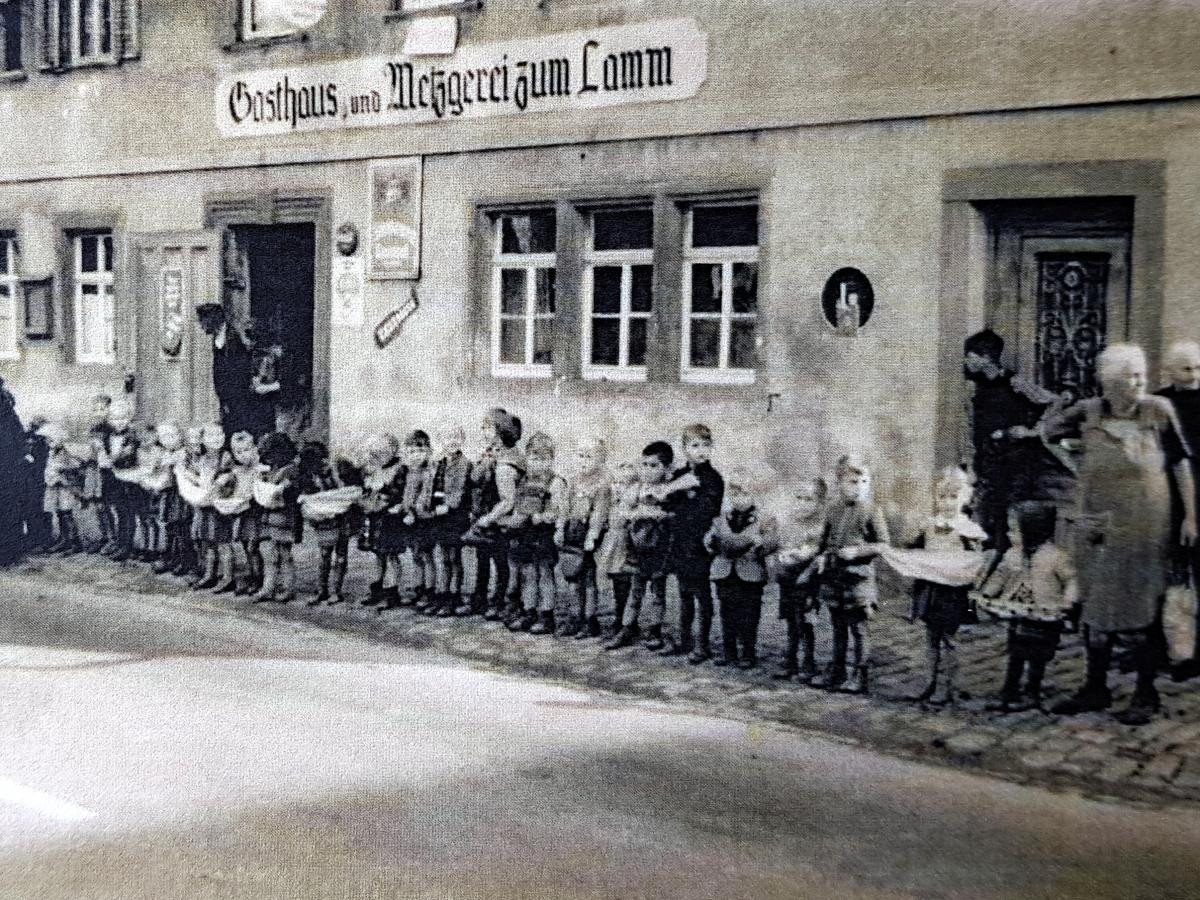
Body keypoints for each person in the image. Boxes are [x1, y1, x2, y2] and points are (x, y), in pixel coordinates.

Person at [1044, 344, 1197, 725]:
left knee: (1144, 606)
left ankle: (1146, 692)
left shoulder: (1157, 411)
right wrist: (1076, 459)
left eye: (1142, 373)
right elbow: (1048, 432)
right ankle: (1095, 687)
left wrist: (1191, 516)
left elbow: (1180, 466)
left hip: (1148, 525)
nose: (1140, 381)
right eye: (1130, 376)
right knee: (1095, 603)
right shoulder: (1089, 412)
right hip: (1097, 522)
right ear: (1108, 383)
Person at [963, 329, 1072, 551]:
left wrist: (1033, 431)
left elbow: (1056, 402)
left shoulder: (1014, 383)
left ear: (986, 357)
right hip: (989, 462)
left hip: (1016, 463)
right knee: (990, 521)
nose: (966, 361)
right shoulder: (976, 388)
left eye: (971, 355)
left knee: (1011, 520)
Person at [978, 503, 1078, 712]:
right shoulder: (1013, 554)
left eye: (1014, 530)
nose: (1008, 533)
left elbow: (1071, 579)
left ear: (1033, 531)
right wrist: (988, 591)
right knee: (1015, 652)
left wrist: (1069, 600)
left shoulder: (1055, 556)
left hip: (1044, 614)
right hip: (1019, 612)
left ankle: (1032, 691)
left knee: (1037, 655)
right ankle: (1009, 689)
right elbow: (1001, 574)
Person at [903, 466, 988, 706]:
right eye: (942, 496)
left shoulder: (967, 528)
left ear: (965, 498)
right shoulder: (930, 524)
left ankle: (949, 686)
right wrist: (913, 532)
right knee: (930, 637)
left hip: (951, 590)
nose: (947, 503)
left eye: (953, 496)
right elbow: (913, 547)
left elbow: (976, 558)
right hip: (930, 587)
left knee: (949, 638)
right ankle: (928, 682)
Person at [811, 453, 891, 695]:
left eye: (864, 482)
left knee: (858, 628)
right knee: (837, 626)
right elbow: (823, 541)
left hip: (858, 579)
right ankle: (836, 669)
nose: (859, 487)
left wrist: (858, 551)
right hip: (834, 577)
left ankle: (860, 672)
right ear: (839, 483)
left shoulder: (871, 510)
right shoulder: (833, 509)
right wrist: (820, 554)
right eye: (852, 482)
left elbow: (883, 544)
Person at [605, 441, 677, 652]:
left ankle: (654, 629)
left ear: (667, 468)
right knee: (635, 591)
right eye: (644, 465)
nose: (647, 470)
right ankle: (627, 627)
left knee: (657, 592)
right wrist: (639, 513)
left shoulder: (669, 490)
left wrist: (658, 514)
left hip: (659, 548)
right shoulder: (636, 488)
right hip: (637, 547)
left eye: (654, 466)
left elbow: (673, 514)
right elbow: (623, 511)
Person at [663, 423, 725, 661]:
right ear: (685, 448)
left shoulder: (713, 478)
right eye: (695, 445)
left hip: (699, 543)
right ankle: (684, 639)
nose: (701, 451)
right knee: (683, 593)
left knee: (702, 594)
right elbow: (669, 504)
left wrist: (687, 497)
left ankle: (702, 644)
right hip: (680, 542)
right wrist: (672, 489)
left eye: (706, 445)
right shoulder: (679, 476)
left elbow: (708, 508)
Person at [1157, 340, 1200, 678]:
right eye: (1186, 368)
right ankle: (1161, 646)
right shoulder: (1159, 402)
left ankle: (1194, 653)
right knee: (1164, 573)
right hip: (1164, 494)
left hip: (1196, 493)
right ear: (1170, 370)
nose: (1194, 374)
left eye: (1198, 367)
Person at [705, 471, 778, 670]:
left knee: (749, 614)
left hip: (750, 574)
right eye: (735, 495)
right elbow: (709, 539)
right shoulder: (721, 518)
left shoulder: (765, 519)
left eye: (745, 494)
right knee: (727, 612)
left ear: (755, 496)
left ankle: (748, 652)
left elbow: (772, 542)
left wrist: (758, 545)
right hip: (725, 572)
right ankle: (729, 652)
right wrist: (713, 543)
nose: (739, 499)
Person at [505, 431, 567, 634]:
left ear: (552, 459)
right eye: (534, 458)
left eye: (545, 459)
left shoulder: (555, 482)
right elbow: (517, 504)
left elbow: (559, 510)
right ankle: (529, 611)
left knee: (545, 575)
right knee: (528, 574)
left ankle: (546, 615)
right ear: (527, 458)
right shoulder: (524, 480)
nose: (540, 463)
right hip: (525, 533)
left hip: (544, 534)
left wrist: (546, 517)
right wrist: (513, 520)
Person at [770, 477, 827, 682]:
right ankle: (790, 661)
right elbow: (781, 546)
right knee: (790, 621)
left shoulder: (820, 526)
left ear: (820, 502)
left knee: (805, 622)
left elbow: (814, 553)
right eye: (799, 498)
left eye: (809, 499)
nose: (803, 504)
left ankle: (808, 663)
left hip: (807, 582)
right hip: (788, 580)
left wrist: (799, 556)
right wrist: (781, 556)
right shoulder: (789, 522)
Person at [470, 409, 525, 621]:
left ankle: (501, 601)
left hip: (501, 519)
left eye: (488, 428)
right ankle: (480, 598)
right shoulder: (493, 453)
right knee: (482, 557)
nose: (483, 432)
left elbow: (508, 500)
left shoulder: (507, 464)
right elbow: (476, 479)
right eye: (483, 427)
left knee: (502, 561)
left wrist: (489, 518)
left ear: (501, 432)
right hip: (487, 513)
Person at [556, 437, 611, 639]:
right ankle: (574, 616)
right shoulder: (572, 481)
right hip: (572, 533)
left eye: (590, 456)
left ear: (601, 460)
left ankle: (590, 619)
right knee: (572, 578)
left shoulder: (602, 485)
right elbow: (564, 508)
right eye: (580, 455)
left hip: (588, 535)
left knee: (588, 579)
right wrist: (560, 529)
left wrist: (592, 536)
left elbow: (599, 513)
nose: (584, 461)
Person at [420, 427, 471, 617]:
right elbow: (429, 486)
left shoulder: (464, 464)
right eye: (448, 437)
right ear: (441, 439)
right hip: (436, 515)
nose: (452, 441)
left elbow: (460, 489)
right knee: (442, 556)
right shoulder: (437, 463)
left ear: (462, 440)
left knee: (454, 557)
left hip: (453, 516)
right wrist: (425, 505)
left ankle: (454, 595)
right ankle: (442, 594)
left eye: (456, 437)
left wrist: (450, 505)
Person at [252, 431, 300, 605]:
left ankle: (288, 587)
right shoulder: (273, 470)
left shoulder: (290, 470)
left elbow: (282, 490)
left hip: (285, 516)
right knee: (270, 553)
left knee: (284, 553)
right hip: (271, 516)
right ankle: (269, 587)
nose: (269, 459)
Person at [358, 434, 403, 609]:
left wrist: (377, 503)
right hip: (375, 517)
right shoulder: (375, 469)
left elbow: (395, 494)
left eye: (383, 451)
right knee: (378, 554)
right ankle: (377, 589)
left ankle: (392, 592)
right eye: (376, 452)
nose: (378, 455)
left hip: (390, 518)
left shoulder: (398, 469)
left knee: (391, 554)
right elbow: (367, 491)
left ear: (392, 451)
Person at [197, 302, 255, 437]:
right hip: (226, 396)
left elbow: (240, 373)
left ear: (212, 319)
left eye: (202, 321)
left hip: (237, 397)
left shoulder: (233, 338)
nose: (201, 325)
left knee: (237, 429)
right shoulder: (218, 336)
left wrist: (230, 397)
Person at [598, 461, 639, 639]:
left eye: (624, 484)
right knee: (616, 581)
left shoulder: (631, 506)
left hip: (626, 544)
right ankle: (619, 615)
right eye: (616, 483)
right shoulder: (612, 503)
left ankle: (628, 621)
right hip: (612, 544)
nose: (618, 488)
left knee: (626, 583)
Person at [41, 422, 83, 554]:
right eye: (48, 440)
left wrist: (63, 471)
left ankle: (75, 542)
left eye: (52, 440)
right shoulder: (52, 452)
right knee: (59, 512)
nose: (49, 442)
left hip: (65, 487)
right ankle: (64, 540)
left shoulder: (66, 452)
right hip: (54, 487)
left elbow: (77, 465)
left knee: (66, 513)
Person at [0, 377, 23, 567]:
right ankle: (10, 552)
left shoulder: (7, 411)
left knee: (7, 506)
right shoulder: (9, 410)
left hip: (8, 467)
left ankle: (8, 552)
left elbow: (17, 439)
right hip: (10, 467)